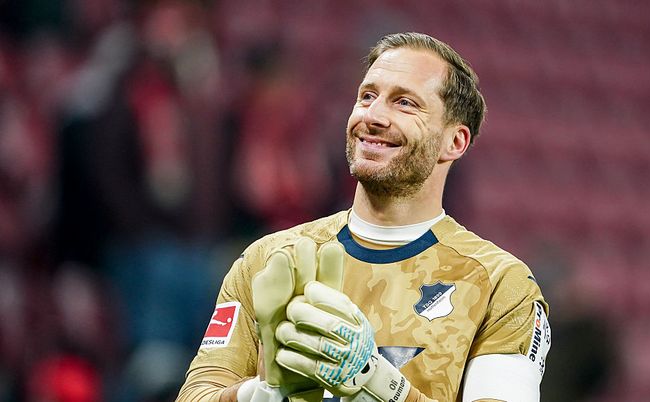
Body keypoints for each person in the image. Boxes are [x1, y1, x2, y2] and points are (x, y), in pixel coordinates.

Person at [177, 32, 551, 402]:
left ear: (454, 142)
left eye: (404, 103)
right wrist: (262, 393)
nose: (373, 116)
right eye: (367, 96)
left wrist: (376, 380)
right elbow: (197, 394)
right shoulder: (267, 260)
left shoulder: (501, 286)